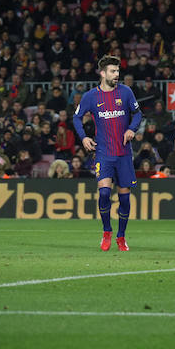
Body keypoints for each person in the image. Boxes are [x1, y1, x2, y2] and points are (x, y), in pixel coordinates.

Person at [72, 55, 142, 252]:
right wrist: (84, 138)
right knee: (104, 193)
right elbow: (76, 118)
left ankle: (121, 237)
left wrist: (132, 129)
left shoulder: (126, 92)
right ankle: (107, 231)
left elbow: (137, 114)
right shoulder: (90, 97)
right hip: (103, 152)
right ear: (102, 73)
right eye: (113, 71)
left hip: (124, 153)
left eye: (118, 71)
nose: (117, 75)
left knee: (125, 199)